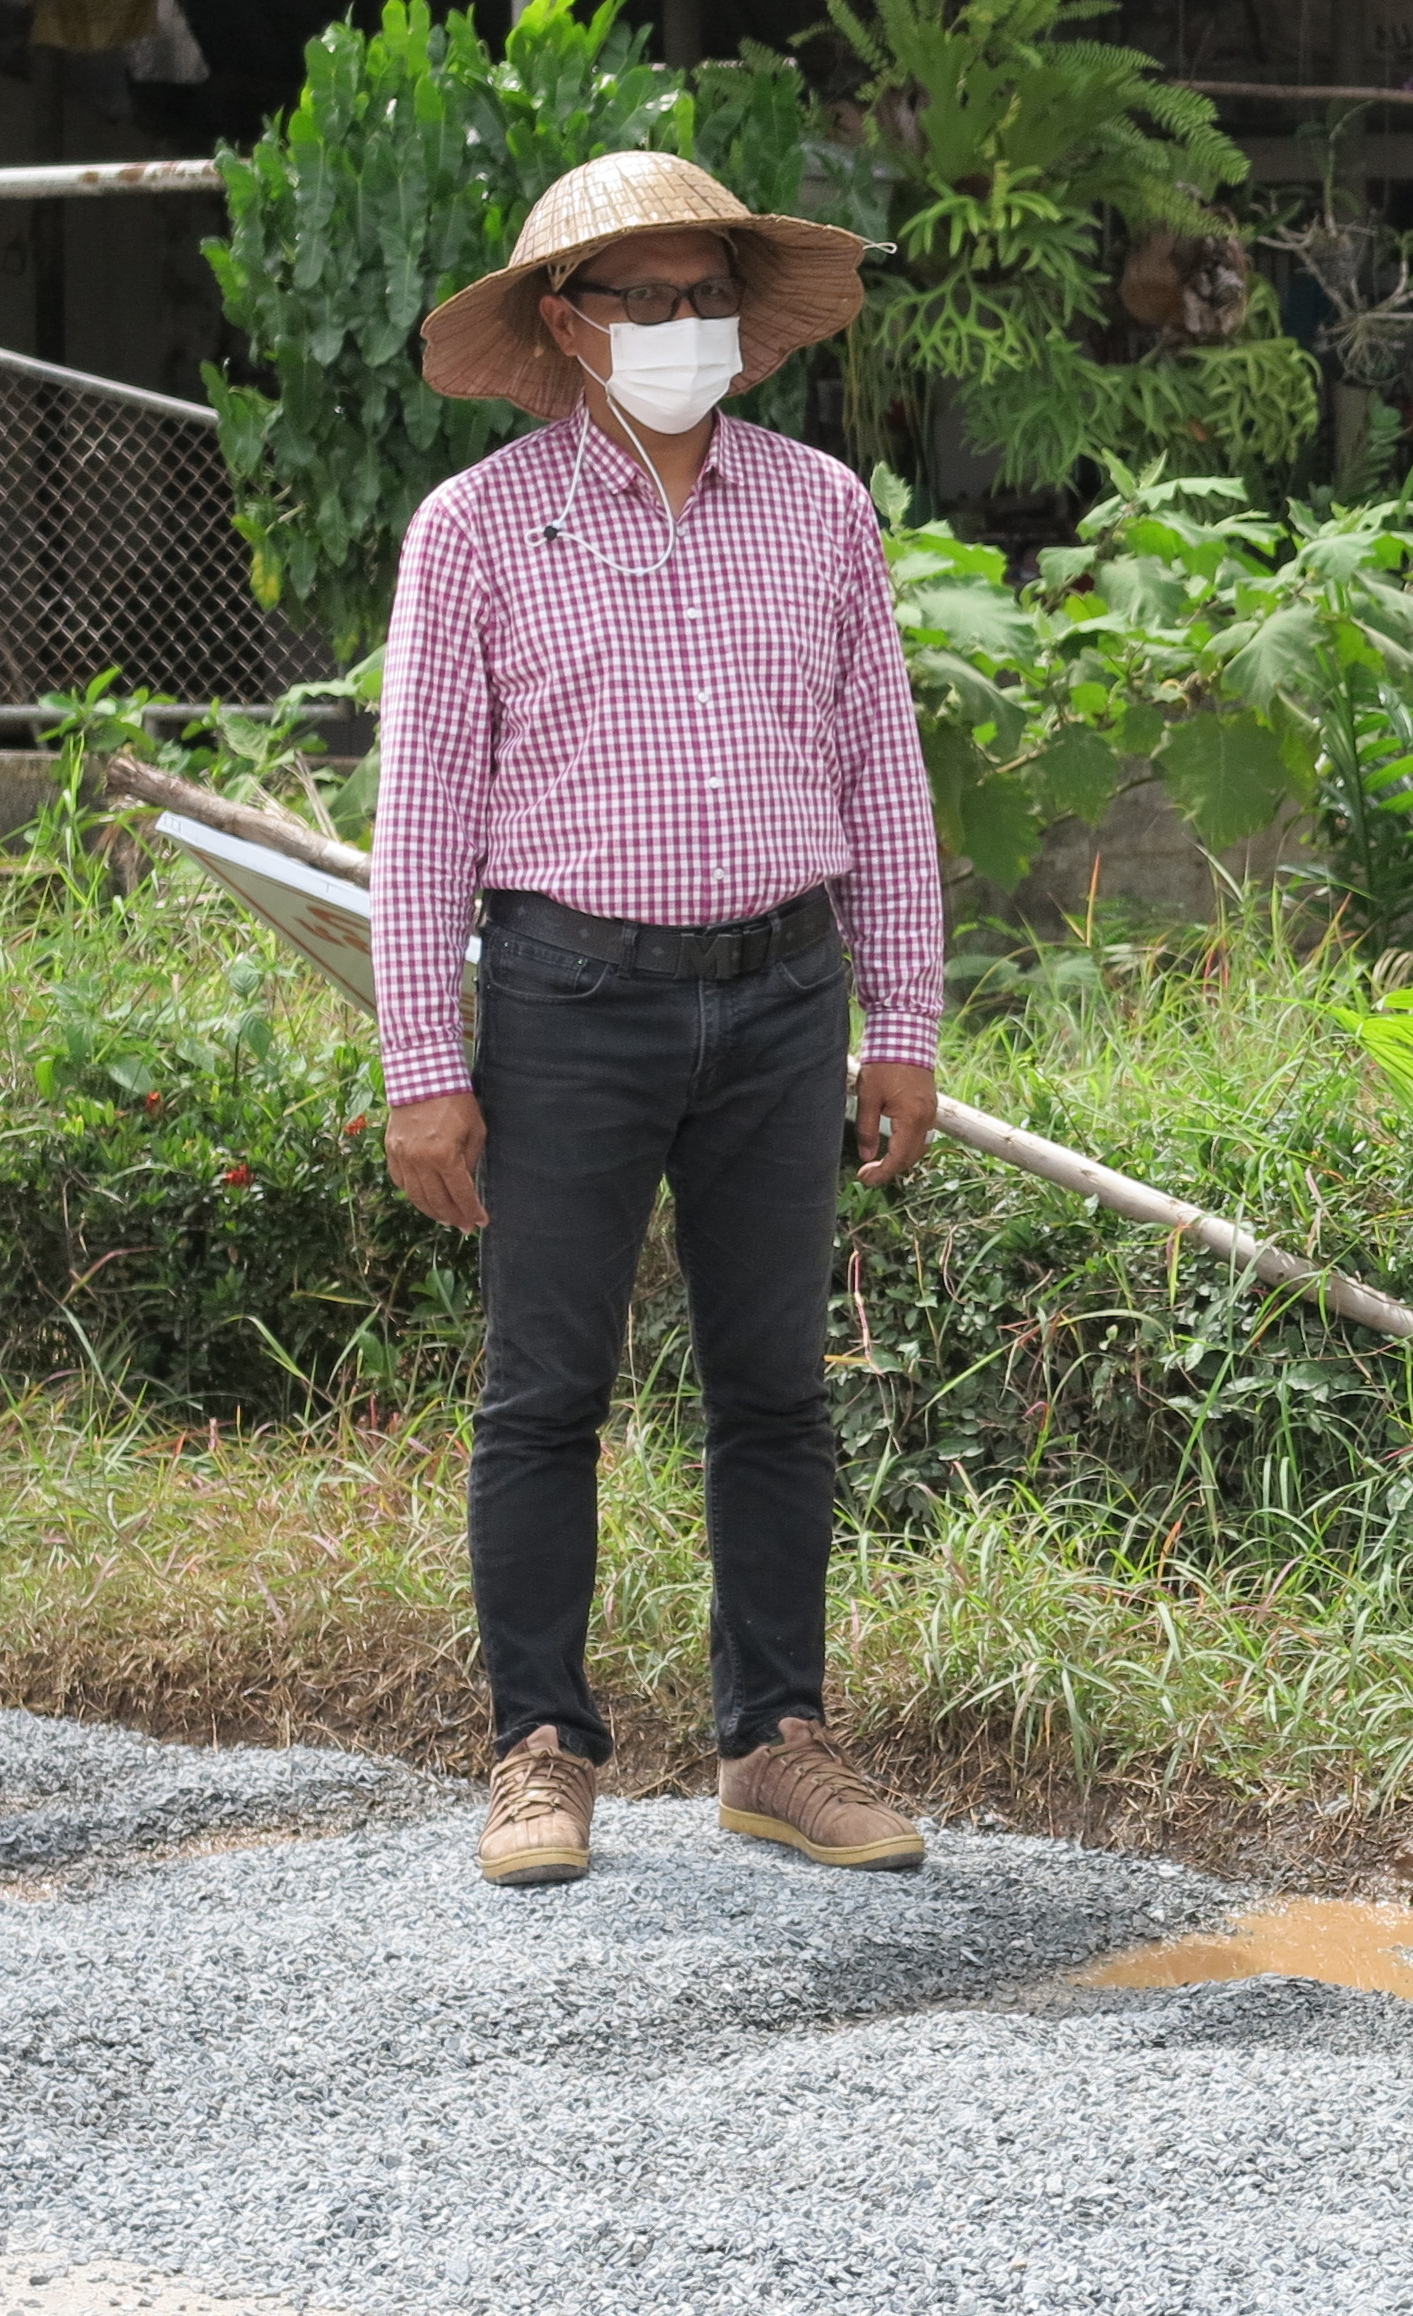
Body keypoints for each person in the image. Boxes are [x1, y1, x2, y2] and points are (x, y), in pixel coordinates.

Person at [370, 152, 942, 1889]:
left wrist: (901, 1017)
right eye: (646, 300)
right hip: (567, 1000)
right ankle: (539, 1747)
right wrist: (425, 1070)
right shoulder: (477, 531)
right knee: (545, 1391)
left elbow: (882, 776)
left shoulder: (821, 509)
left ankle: (779, 1741)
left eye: (709, 298)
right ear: (566, 323)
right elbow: (423, 819)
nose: (686, 327)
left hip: (781, 997)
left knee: (776, 1392)